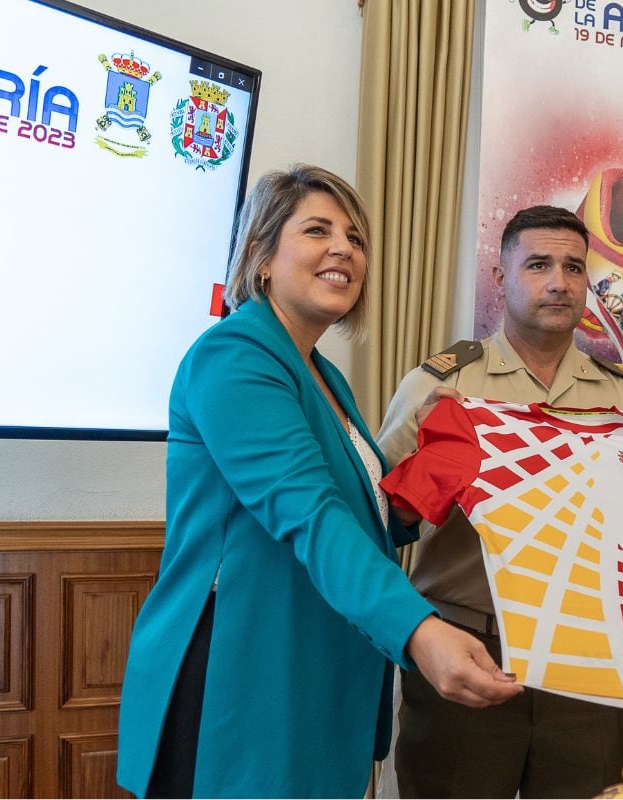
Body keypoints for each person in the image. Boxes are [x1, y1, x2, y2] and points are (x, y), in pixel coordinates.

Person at [116, 165, 520, 799]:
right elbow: (312, 514)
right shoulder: (235, 356)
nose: (344, 249)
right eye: (318, 230)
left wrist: (430, 454)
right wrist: (419, 629)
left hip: (312, 667)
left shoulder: (325, 377)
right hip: (242, 670)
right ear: (262, 256)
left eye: (356, 238)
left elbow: (373, 517)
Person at [377, 205, 623, 798]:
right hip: (468, 649)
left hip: (587, 658)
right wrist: (432, 470)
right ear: (500, 279)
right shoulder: (442, 386)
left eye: (574, 267)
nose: (559, 282)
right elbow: (377, 518)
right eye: (538, 264)